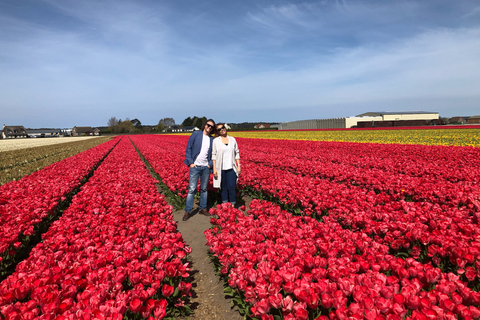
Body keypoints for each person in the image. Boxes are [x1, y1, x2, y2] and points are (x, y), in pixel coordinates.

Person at [183, 119, 215, 221]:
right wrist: (191, 163)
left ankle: (202, 208)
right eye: (208, 125)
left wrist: (210, 165)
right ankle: (188, 210)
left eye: (211, 127)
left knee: (204, 189)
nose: (209, 127)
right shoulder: (196, 134)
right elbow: (189, 148)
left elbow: (214, 153)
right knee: (192, 189)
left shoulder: (212, 139)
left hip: (205, 167)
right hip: (195, 166)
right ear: (204, 125)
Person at [212, 123, 241, 206]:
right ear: (218, 132)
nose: (222, 129)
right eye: (219, 129)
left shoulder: (232, 140)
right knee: (223, 187)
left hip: (231, 167)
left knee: (232, 187)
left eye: (223, 127)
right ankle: (225, 205)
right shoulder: (216, 141)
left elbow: (237, 153)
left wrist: (239, 166)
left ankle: (232, 205)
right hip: (220, 168)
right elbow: (213, 155)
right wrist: (214, 169)